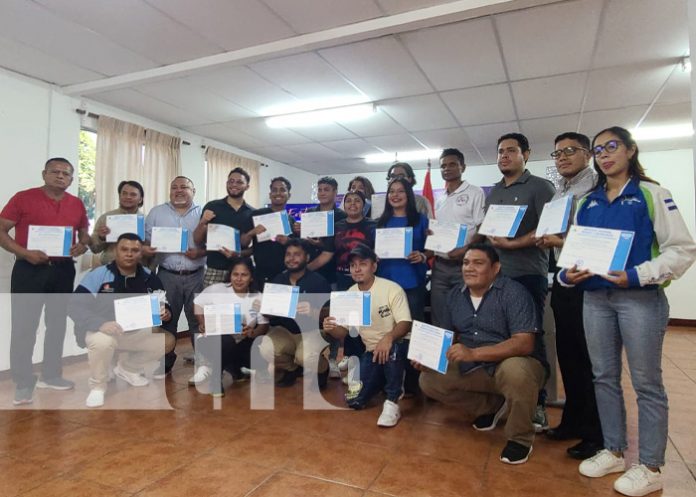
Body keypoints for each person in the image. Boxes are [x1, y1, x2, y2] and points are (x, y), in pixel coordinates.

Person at [560, 126, 696, 496]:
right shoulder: (588, 202)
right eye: (599, 149)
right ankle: (614, 449)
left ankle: (650, 465)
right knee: (603, 376)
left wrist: (637, 275)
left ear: (631, 150)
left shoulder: (652, 194)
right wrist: (567, 274)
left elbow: (682, 250)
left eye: (612, 146)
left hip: (639, 298)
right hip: (594, 299)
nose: (605, 154)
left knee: (646, 383)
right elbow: (570, 255)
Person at [418, 244, 547, 464]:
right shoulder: (455, 295)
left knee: (515, 371)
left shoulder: (514, 292)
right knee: (429, 379)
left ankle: (520, 438)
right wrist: (427, 357)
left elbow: (524, 343)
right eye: (466, 263)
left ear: (495, 268)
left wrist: (474, 353)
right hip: (477, 367)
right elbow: (449, 336)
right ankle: (493, 407)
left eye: (478, 263)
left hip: (516, 363)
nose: (469, 268)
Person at [0, 157, 90, 405]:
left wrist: (82, 245)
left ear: (71, 179)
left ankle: (51, 374)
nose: (61, 176)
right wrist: (24, 252)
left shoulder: (76, 204)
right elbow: (1, 229)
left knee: (57, 324)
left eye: (66, 174)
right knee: (24, 327)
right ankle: (23, 382)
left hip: (62, 271)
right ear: (44, 174)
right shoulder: (23, 198)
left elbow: (84, 233)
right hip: (29, 269)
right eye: (55, 172)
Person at [536, 132, 602, 460]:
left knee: (590, 360)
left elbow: (594, 238)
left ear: (588, 154)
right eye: (557, 152)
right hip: (564, 278)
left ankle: (596, 433)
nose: (562, 158)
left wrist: (557, 241)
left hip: (589, 280)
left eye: (570, 151)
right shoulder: (560, 190)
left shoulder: (596, 188)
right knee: (569, 355)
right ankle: (573, 422)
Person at [484, 132, 555, 431]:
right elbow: (489, 232)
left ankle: (537, 404)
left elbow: (550, 228)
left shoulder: (541, 187)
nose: (504, 156)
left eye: (511, 151)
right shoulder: (495, 192)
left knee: (530, 340)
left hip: (527, 275)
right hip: (497, 277)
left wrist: (513, 245)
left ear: (526, 154)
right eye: (500, 151)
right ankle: (507, 397)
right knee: (501, 338)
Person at [70, 233, 176, 408]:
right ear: (115, 251)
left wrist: (167, 314)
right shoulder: (98, 275)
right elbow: (75, 306)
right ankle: (98, 387)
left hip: (133, 333)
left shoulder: (149, 277)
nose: (129, 254)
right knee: (103, 342)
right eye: (124, 249)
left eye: (134, 250)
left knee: (167, 340)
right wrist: (100, 323)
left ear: (141, 253)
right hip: (102, 331)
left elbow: (163, 303)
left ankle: (129, 369)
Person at [323, 244, 412, 428]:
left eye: (362, 264)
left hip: (399, 345)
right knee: (354, 400)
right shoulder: (350, 294)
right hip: (371, 351)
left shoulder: (391, 288)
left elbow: (405, 323)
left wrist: (387, 338)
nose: (357, 269)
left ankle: (392, 401)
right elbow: (343, 332)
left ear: (374, 266)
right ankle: (382, 380)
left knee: (392, 347)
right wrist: (330, 328)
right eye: (353, 265)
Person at [144, 176, 206, 376]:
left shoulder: (204, 214)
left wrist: (200, 253)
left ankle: (203, 364)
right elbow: (145, 242)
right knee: (165, 319)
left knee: (198, 321)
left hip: (197, 276)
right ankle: (166, 363)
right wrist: (150, 248)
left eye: (184, 187)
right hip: (166, 276)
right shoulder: (156, 213)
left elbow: (213, 245)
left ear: (193, 191)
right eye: (174, 187)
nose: (179, 190)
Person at [376, 178, 428, 394]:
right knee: (388, 330)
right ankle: (388, 382)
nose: (395, 195)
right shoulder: (381, 222)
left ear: (408, 195)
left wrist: (423, 255)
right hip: (386, 283)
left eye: (400, 191)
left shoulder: (421, 220)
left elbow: (431, 249)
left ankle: (413, 383)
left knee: (413, 332)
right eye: (391, 192)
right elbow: (372, 252)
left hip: (412, 283)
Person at [258, 239, 331, 389]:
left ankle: (322, 370)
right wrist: (264, 309)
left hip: (311, 331)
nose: (291, 258)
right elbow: (269, 315)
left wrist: (313, 311)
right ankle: (292, 369)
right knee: (265, 348)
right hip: (285, 330)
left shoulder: (318, 282)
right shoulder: (278, 281)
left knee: (305, 357)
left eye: (297, 254)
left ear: (307, 258)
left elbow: (330, 313)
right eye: (288, 254)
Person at [193, 257, 269, 397]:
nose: (239, 279)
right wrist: (202, 321)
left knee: (260, 358)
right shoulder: (217, 289)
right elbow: (197, 303)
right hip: (213, 341)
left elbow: (264, 325)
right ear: (230, 275)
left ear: (251, 277)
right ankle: (216, 377)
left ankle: (233, 367)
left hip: (241, 342)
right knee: (226, 342)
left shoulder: (257, 296)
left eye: (244, 275)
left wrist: (252, 332)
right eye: (235, 274)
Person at [430, 148, 486, 328]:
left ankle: (465, 353)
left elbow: (482, 229)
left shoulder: (475, 192)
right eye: (443, 166)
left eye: (452, 164)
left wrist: (464, 250)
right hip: (440, 266)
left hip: (465, 265)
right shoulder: (440, 199)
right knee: (440, 314)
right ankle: (443, 355)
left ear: (463, 167)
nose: (447, 168)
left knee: (466, 313)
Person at [193, 167, 255, 287]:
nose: (234, 185)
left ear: (247, 186)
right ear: (226, 184)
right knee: (210, 305)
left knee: (238, 305)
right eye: (231, 181)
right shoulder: (212, 206)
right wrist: (203, 222)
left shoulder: (252, 213)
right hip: (215, 269)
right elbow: (197, 239)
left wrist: (239, 254)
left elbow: (255, 248)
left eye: (239, 182)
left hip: (240, 272)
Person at [242, 177, 294, 288]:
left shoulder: (291, 221)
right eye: (274, 190)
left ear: (288, 195)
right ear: (270, 194)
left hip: (285, 275)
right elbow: (243, 243)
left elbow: (297, 249)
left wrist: (289, 241)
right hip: (261, 275)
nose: (278, 193)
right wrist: (252, 232)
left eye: (282, 190)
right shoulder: (256, 215)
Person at [302, 176, 347, 286]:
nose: (322, 193)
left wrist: (322, 245)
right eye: (319, 190)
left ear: (335, 192)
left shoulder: (342, 216)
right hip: (309, 269)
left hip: (332, 271)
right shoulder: (309, 213)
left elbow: (342, 246)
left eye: (326, 190)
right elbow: (303, 241)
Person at [90, 180, 145, 265]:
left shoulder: (147, 220)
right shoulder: (106, 218)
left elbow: (153, 250)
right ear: (119, 196)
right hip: (110, 269)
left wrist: (149, 271)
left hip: (138, 270)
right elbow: (94, 249)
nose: (128, 197)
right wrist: (101, 238)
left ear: (140, 199)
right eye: (124, 193)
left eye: (133, 194)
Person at [331, 190, 377, 292]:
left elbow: (379, 250)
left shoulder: (373, 225)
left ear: (364, 205)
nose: (352, 203)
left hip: (366, 277)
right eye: (348, 201)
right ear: (344, 205)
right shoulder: (336, 226)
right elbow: (330, 250)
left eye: (357, 201)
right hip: (342, 278)